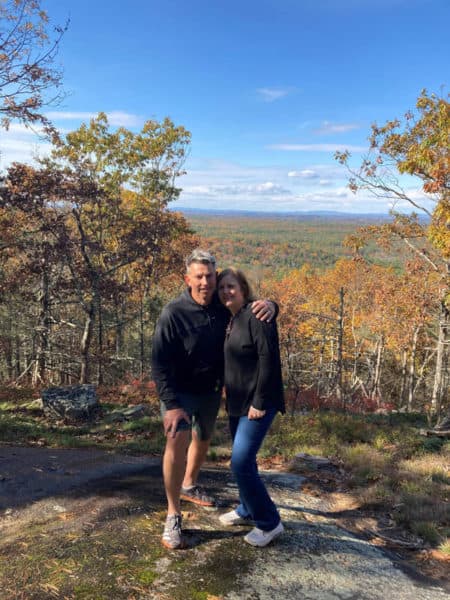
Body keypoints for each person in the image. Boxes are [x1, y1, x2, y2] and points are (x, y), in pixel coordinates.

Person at [152, 249, 276, 549]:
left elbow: (251, 310)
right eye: (199, 276)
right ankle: (173, 515)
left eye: (210, 276)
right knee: (176, 444)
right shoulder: (173, 313)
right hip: (178, 395)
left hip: (209, 392)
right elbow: (159, 362)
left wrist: (273, 305)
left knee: (203, 438)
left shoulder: (223, 308)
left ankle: (190, 484)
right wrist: (170, 405)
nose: (206, 282)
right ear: (188, 279)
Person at [217, 267, 285, 547]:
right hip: (236, 402)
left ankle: (269, 522)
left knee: (241, 462)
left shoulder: (257, 315)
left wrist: (259, 402)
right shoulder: (230, 319)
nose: (225, 292)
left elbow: (269, 360)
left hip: (258, 403)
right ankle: (246, 508)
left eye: (231, 286)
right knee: (244, 461)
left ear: (244, 289)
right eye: (221, 288)